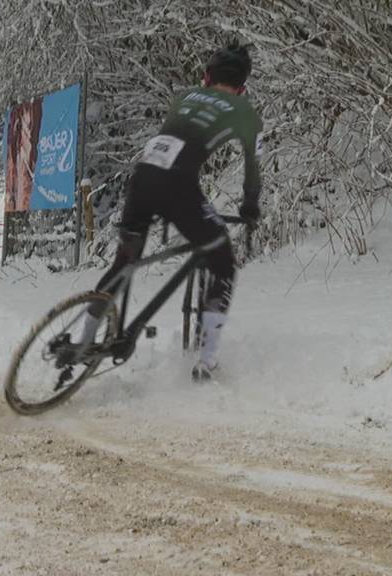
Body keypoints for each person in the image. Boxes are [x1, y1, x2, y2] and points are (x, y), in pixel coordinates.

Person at [78, 43, 263, 382]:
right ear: (242, 87)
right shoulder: (244, 110)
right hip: (178, 186)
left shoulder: (186, 97)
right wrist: (249, 206)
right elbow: (252, 169)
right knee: (222, 260)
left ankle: (83, 340)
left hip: (143, 178)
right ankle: (207, 360)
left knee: (124, 262)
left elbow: (178, 141)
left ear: (206, 78)